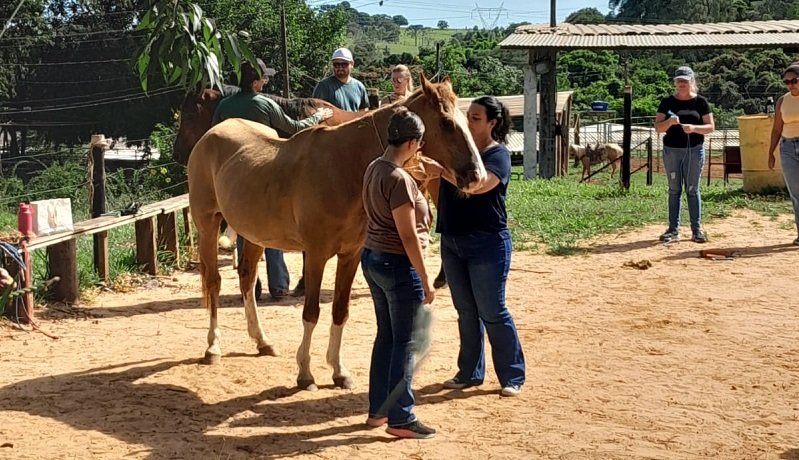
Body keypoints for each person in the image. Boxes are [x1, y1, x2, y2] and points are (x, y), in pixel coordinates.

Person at [421, 96, 526, 397]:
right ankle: (469, 373)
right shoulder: (458, 152)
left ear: (493, 123)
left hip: (487, 241)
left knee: (492, 311)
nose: (469, 121)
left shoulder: (498, 155)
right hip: (453, 240)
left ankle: (512, 375)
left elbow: (478, 185)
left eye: (476, 118)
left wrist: (441, 172)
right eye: (468, 116)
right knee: (466, 312)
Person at [213, 58, 333, 300]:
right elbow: (294, 127)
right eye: (263, 78)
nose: (266, 82)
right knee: (269, 228)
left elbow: (215, 134)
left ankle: (251, 287)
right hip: (265, 173)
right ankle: (278, 286)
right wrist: (318, 116)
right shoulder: (264, 104)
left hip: (236, 177)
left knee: (244, 227)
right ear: (255, 83)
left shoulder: (224, 106)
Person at [360, 107, 437, 439]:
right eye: (419, 144)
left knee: (387, 336)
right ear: (411, 142)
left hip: (373, 257)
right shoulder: (399, 179)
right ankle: (401, 417)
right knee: (406, 342)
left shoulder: (374, 167)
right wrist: (425, 277)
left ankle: (378, 409)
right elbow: (407, 235)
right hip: (397, 264)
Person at [654, 66, 715, 243]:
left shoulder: (701, 102)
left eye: (685, 81)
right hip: (672, 151)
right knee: (674, 189)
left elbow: (710, 127)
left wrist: (694, 128)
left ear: (692, 82)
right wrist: (669, 122)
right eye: (679, 80)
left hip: (694, 151)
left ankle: (696, 229)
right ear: (675, 82)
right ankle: (673, 229)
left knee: (692, 189)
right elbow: (658, 127)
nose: (682, 83)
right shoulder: (667, 102)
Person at [768, 62, 799, 246]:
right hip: (788, 147)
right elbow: (776, 129)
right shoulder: (783, 100)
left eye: (794, 80)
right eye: (787, 82)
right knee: (796, 193)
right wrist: (770, 152)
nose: (790, 85)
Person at [312, 47, 369, 112]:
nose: (340, 68)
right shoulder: (323, 86)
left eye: (344, 64)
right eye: (336, 64)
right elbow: (315, 111)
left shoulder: (359, 87)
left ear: (352, 64)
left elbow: (364, 110)